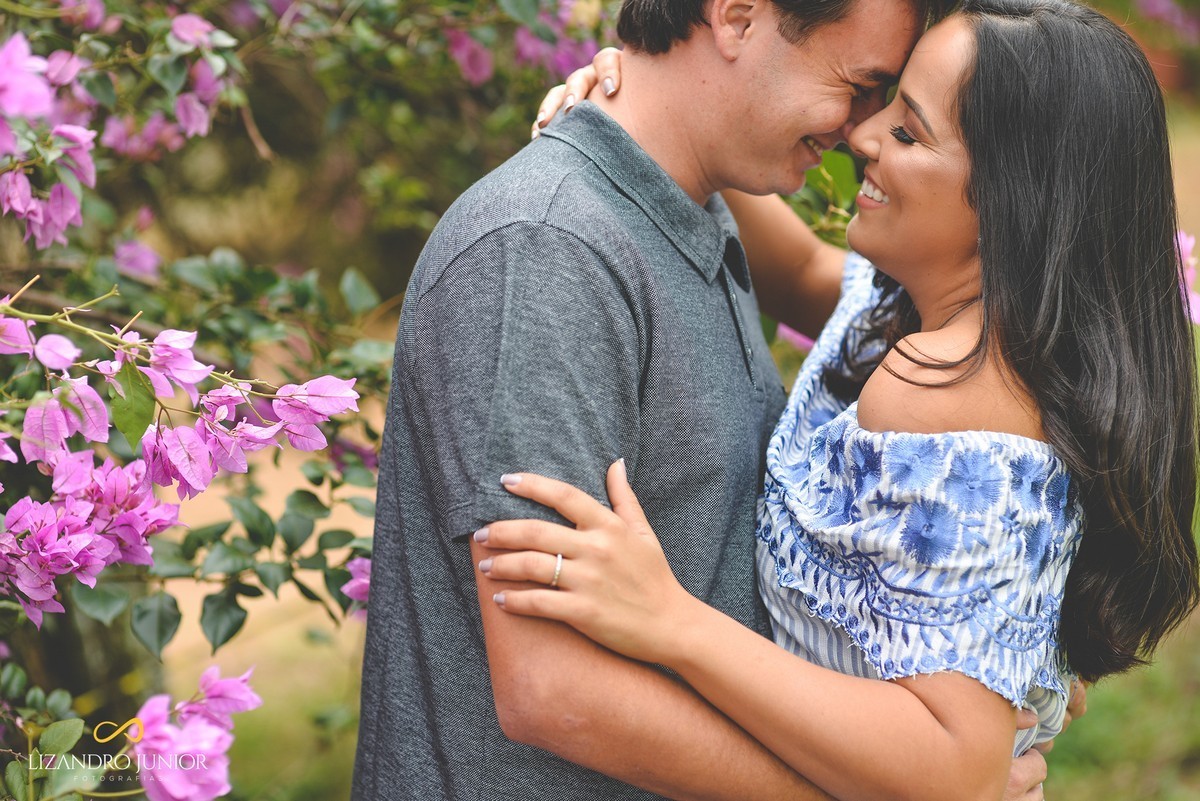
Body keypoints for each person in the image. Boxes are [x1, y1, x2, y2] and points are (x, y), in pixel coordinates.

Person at [475, 2, 1200, 800]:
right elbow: (806, 274)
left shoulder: (946, 396)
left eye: (909, 131)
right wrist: (637, 117)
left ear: (1013, 202)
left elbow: (954, 767)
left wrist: (674, 622)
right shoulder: (919, 314)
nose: (864, 135)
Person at [352, 1, 981, 799]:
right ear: (737, 17)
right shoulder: (548, 249)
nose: (863, 128)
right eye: (859, 84)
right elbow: (554, 687)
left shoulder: (692, 202)